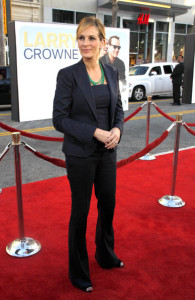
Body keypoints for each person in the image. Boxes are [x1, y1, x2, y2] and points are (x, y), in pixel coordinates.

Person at [53, 17, 124, 293]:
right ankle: (78, 272)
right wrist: (94, 131)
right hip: (80, 154)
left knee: (108, 205)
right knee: (80, 212)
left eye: (92, 38)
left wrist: (117, 128)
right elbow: (59, 119)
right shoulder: (68, 75)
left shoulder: (112, 72)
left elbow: (117, 108)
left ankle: (105, 255)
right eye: (81, 38)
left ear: (102, 42)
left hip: (107, 152)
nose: (86, 43)